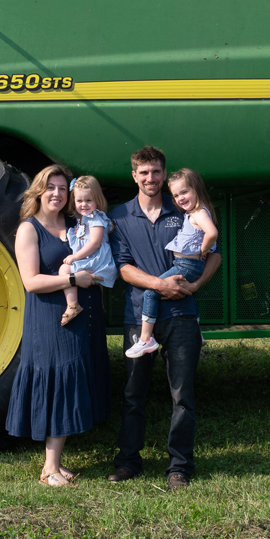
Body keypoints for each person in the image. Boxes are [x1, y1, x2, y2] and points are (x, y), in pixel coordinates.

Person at [107, 146, 220, 488]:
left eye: (156, 171)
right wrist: (159, 284)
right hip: (140, 317)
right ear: (134, 176)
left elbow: (214, 255)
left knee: (182, 396)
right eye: (144, 172)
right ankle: (128, 462)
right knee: (132, 395)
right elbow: (123, 268)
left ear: (164, 173)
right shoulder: (121, 216)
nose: (151, 178)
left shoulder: (183, 207)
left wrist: (196, 284)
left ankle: (179, 467)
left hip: (182, 315)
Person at [6, 164, 107, 486]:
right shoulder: (29, 229)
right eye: (51, 187)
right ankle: (50, 468)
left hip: (83, 317)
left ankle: (56, 463)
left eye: (63, 189)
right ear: (39, 190)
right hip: (50, 318)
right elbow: (31, 281)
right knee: (59, 382)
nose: (57, 194)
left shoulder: (75, 222)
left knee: (73, 381)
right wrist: (75, 277)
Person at [124, 167, 217, 359]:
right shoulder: (192, 213)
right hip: (188, 265)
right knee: (185, 292)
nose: (180, 198)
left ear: (196, 189)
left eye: (184, 192)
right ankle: (197, 334)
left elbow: (212, 234)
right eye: (176, 195)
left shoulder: (198, 213)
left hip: (186, 265)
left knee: (151, 293)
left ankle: (145, 339)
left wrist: (203, 250)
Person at [60, 174, 116, 326]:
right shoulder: (84, 219)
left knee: (64, 269)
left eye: (88, 200)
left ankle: (72, 304)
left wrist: (75, 257)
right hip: (92, 259)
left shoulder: (96, 218)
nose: (83, 204)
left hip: (96, 260)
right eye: (79, 201)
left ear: (97, 200)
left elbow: (95, 243)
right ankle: (101, 307)